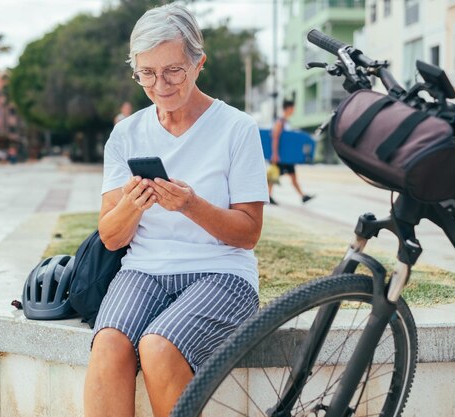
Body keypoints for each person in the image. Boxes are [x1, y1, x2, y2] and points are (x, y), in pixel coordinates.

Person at [84, 4, 269, 417]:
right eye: (146, 73)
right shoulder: (126, 134)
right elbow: (111, 236)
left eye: (173, 71)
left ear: (198, 63)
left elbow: (249, 232)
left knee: (158, 344)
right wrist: (132, 206)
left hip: (222, 273)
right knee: (110, 343)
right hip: (143, 271)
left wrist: (191, 205)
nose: (160, 84)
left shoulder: (237, 128)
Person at [269, 99, 314, 205]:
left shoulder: (286, 121)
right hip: (280, 156)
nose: (293, 110)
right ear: (288, 108)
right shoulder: (280, 122)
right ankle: (268, 196)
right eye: (293, 108)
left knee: (292, 177)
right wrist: (275, 154)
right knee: (273, 176)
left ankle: (303, 196)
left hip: (287, 157)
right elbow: (275, 137)